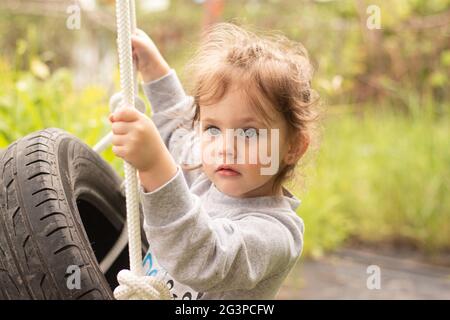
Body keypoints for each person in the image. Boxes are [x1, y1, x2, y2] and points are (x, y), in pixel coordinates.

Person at [108, 22, 319, 299]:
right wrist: (153, 70)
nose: (225, 148)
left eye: (248, 132)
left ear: (293, 147)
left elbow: (204, 259)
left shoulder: (275, 234)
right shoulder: (209, 169)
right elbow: (178, 127)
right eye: (212, 128)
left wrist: (154, 166)